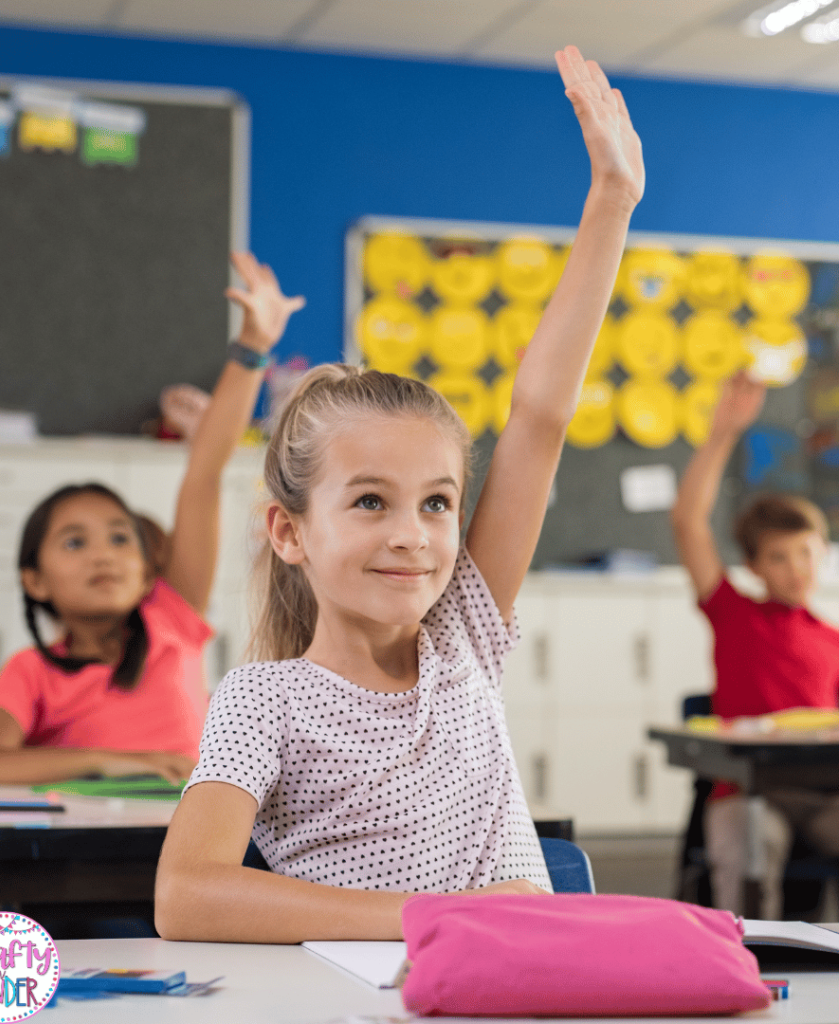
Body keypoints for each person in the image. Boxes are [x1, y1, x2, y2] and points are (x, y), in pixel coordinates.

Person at [154, 45, 645, 944]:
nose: (414, 534)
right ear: (289, 530)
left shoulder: (464, 627)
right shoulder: (265, 700)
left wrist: (611, 200)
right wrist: (439, 919)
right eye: (370, 502)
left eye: (438, 503)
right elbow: (186, 895)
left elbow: (538, 416)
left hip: (530, 991)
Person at [0, 252, 305, 786]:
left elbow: (203, 472)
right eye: (74, 543)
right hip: (91, 855)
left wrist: (253, 345)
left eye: (120, 538)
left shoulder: (172, 620)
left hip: (183, 841)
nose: (103, 554)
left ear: (145, 568)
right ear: (34, 580)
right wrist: (108, 759)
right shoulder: (32, 672)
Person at [671, 369, 839, 921]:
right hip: (745, 796)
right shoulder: (735, 615)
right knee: (750, 850)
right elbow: (689, 521)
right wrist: (722, 433)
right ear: (754, 567)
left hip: (823, 800)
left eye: (806, 553)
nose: (795, 569)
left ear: (825, 554)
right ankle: (753, 975)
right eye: (778, 557)